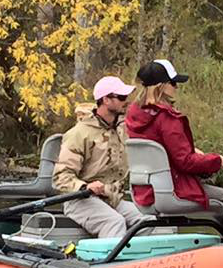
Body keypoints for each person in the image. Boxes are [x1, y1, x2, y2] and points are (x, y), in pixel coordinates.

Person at [125, 59, 223, 242]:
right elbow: (186, 162)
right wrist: (217, 161)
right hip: (175, 189)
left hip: (144, 193)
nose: (177, 87)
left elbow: (158, 145)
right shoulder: (168, 119)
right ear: (161, 86)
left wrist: (191, 149)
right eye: (174, 83)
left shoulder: (135, 116)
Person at [53, 76, 150, 238]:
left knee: (147, 221)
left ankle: (141, 260)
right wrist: (85, 187)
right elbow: (60, 177)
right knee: (114, 222)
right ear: (106, 100)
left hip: (112, 200)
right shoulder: (79, 134)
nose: (126, 101)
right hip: (79, 201)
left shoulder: (122, 130)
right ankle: (109, 261)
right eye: (121, 98)